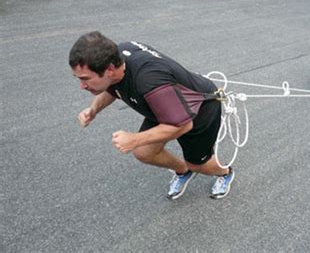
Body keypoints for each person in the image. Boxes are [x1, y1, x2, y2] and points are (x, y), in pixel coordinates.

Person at [69, 31, 234, 200]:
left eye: (85, 79)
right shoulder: (116, 58)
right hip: (164, 105)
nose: (82, 85)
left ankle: (225, 173)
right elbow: (113, 89)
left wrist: (133, 139)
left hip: (198, 109)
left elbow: (183, 125)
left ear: (110, 69)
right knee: (144, 152)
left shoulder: (149, 81)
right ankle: (184, 170)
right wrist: (94, 109)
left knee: (199, 164)